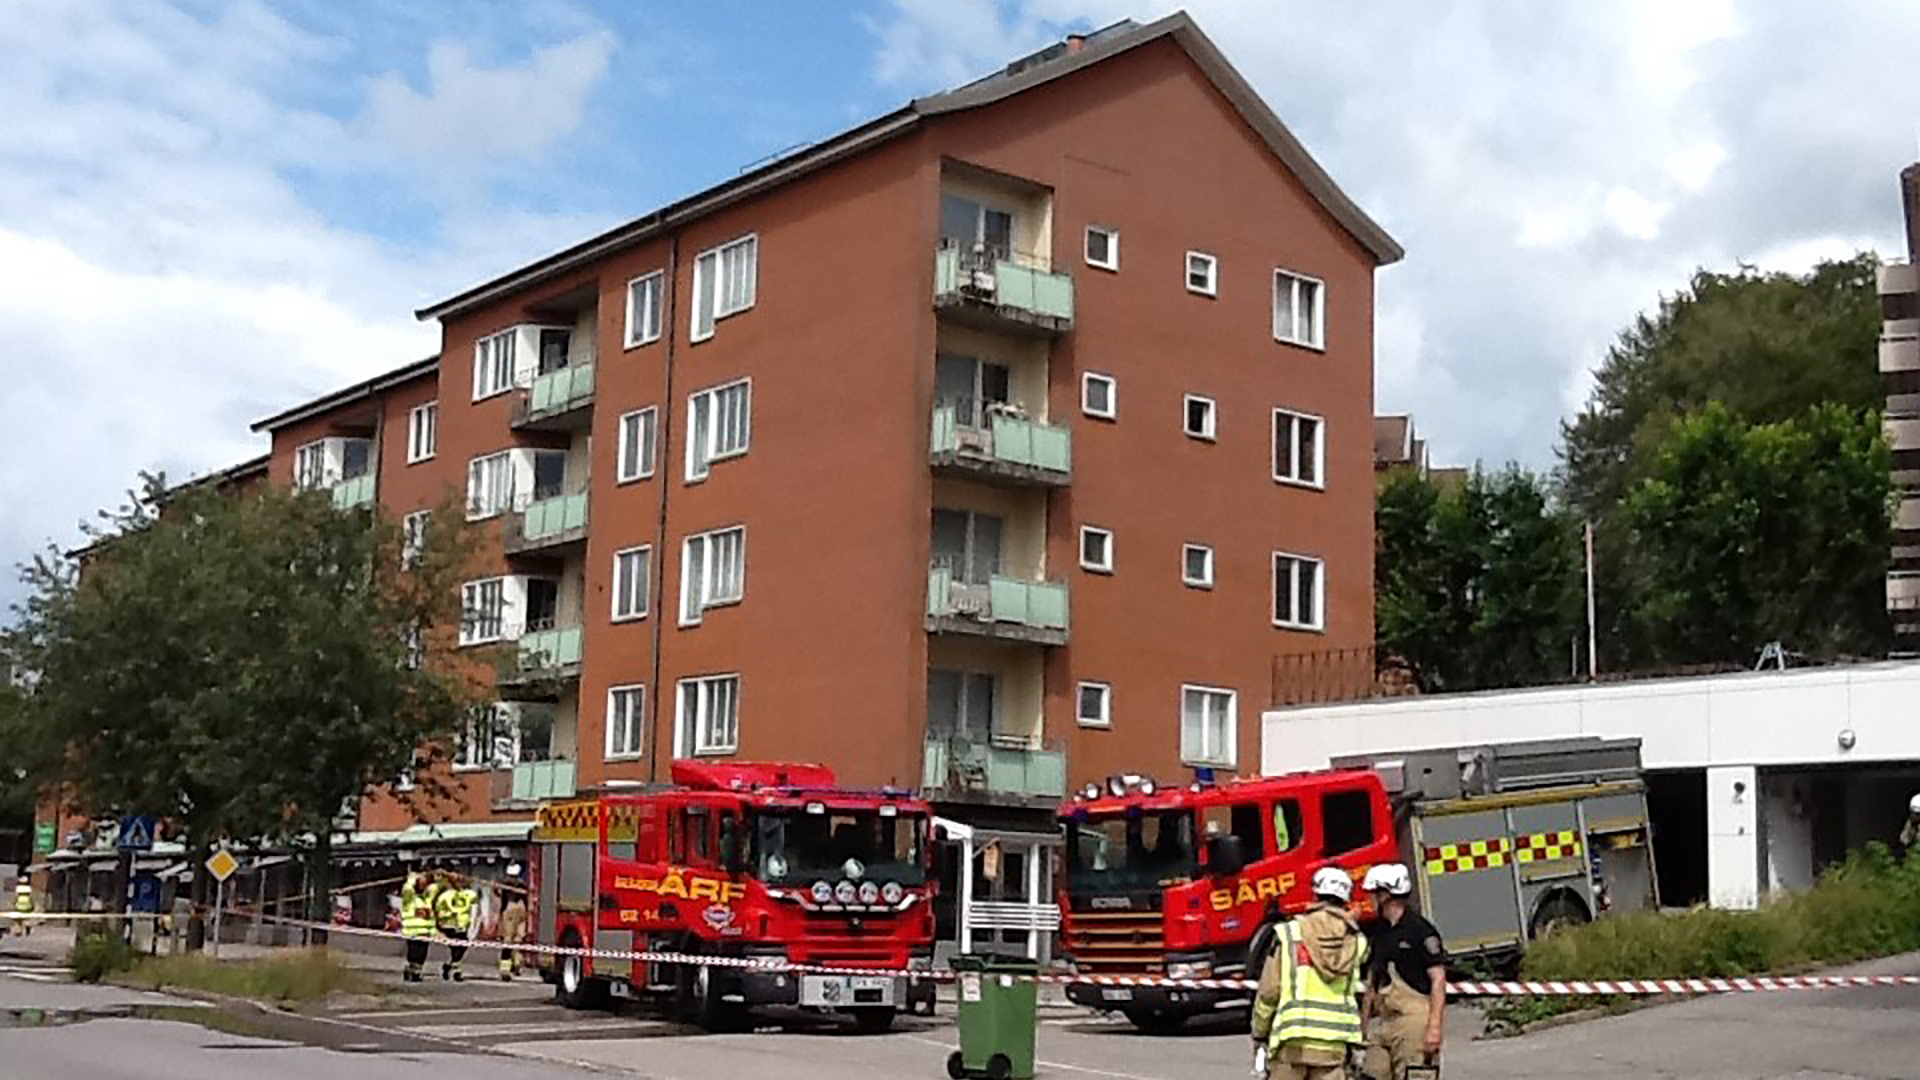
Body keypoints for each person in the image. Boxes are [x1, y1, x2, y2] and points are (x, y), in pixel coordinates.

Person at [1252, 867, 1370, 1080]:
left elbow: (1270, 992)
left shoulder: (1290, 933)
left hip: (1293, 1040)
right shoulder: (1356, 941)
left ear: (1315, 894)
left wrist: (1260, 1032)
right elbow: (1356, 993)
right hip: (1335, 1043)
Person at [1360, 864, 1447, 1080]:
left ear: (1387, 894)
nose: (1371, 899)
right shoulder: (1378, 932)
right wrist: (1362, 1024)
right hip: (1385, 1022)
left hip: (1414, 1022)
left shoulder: (1420, 930)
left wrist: (1434, 1027)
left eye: (1375, 893)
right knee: (1371, 1073)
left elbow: (1438, 979)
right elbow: (1373, 980)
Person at [435, 873, 476, 981]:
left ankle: (449, 965)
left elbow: (472, 907)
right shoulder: (445, 896)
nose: (460, 882)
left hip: (462, 925)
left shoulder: (467, 894)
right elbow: (439, 911)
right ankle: (457, 971)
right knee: (457, 946)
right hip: (449, 925)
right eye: (457, 880)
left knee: (462, 946)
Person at [399, 869, 437, 982]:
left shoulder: (427, 899)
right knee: (414, 953)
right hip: (412, 931)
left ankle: (416, 970)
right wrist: (412, 878)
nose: (423, 886)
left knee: (422, 954)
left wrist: (434, 876)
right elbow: (407, 889)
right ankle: (412, 970)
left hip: (425, 932)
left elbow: (434, 889)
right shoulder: (409, 899)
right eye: (421, 883)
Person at [497, 888, 529, 981]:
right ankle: (505, 969)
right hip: (512, 909)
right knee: (508, 941)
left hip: (519, 910)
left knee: (519, 940)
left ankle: (516, 964)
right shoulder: (508, 885)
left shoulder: (521, 883)